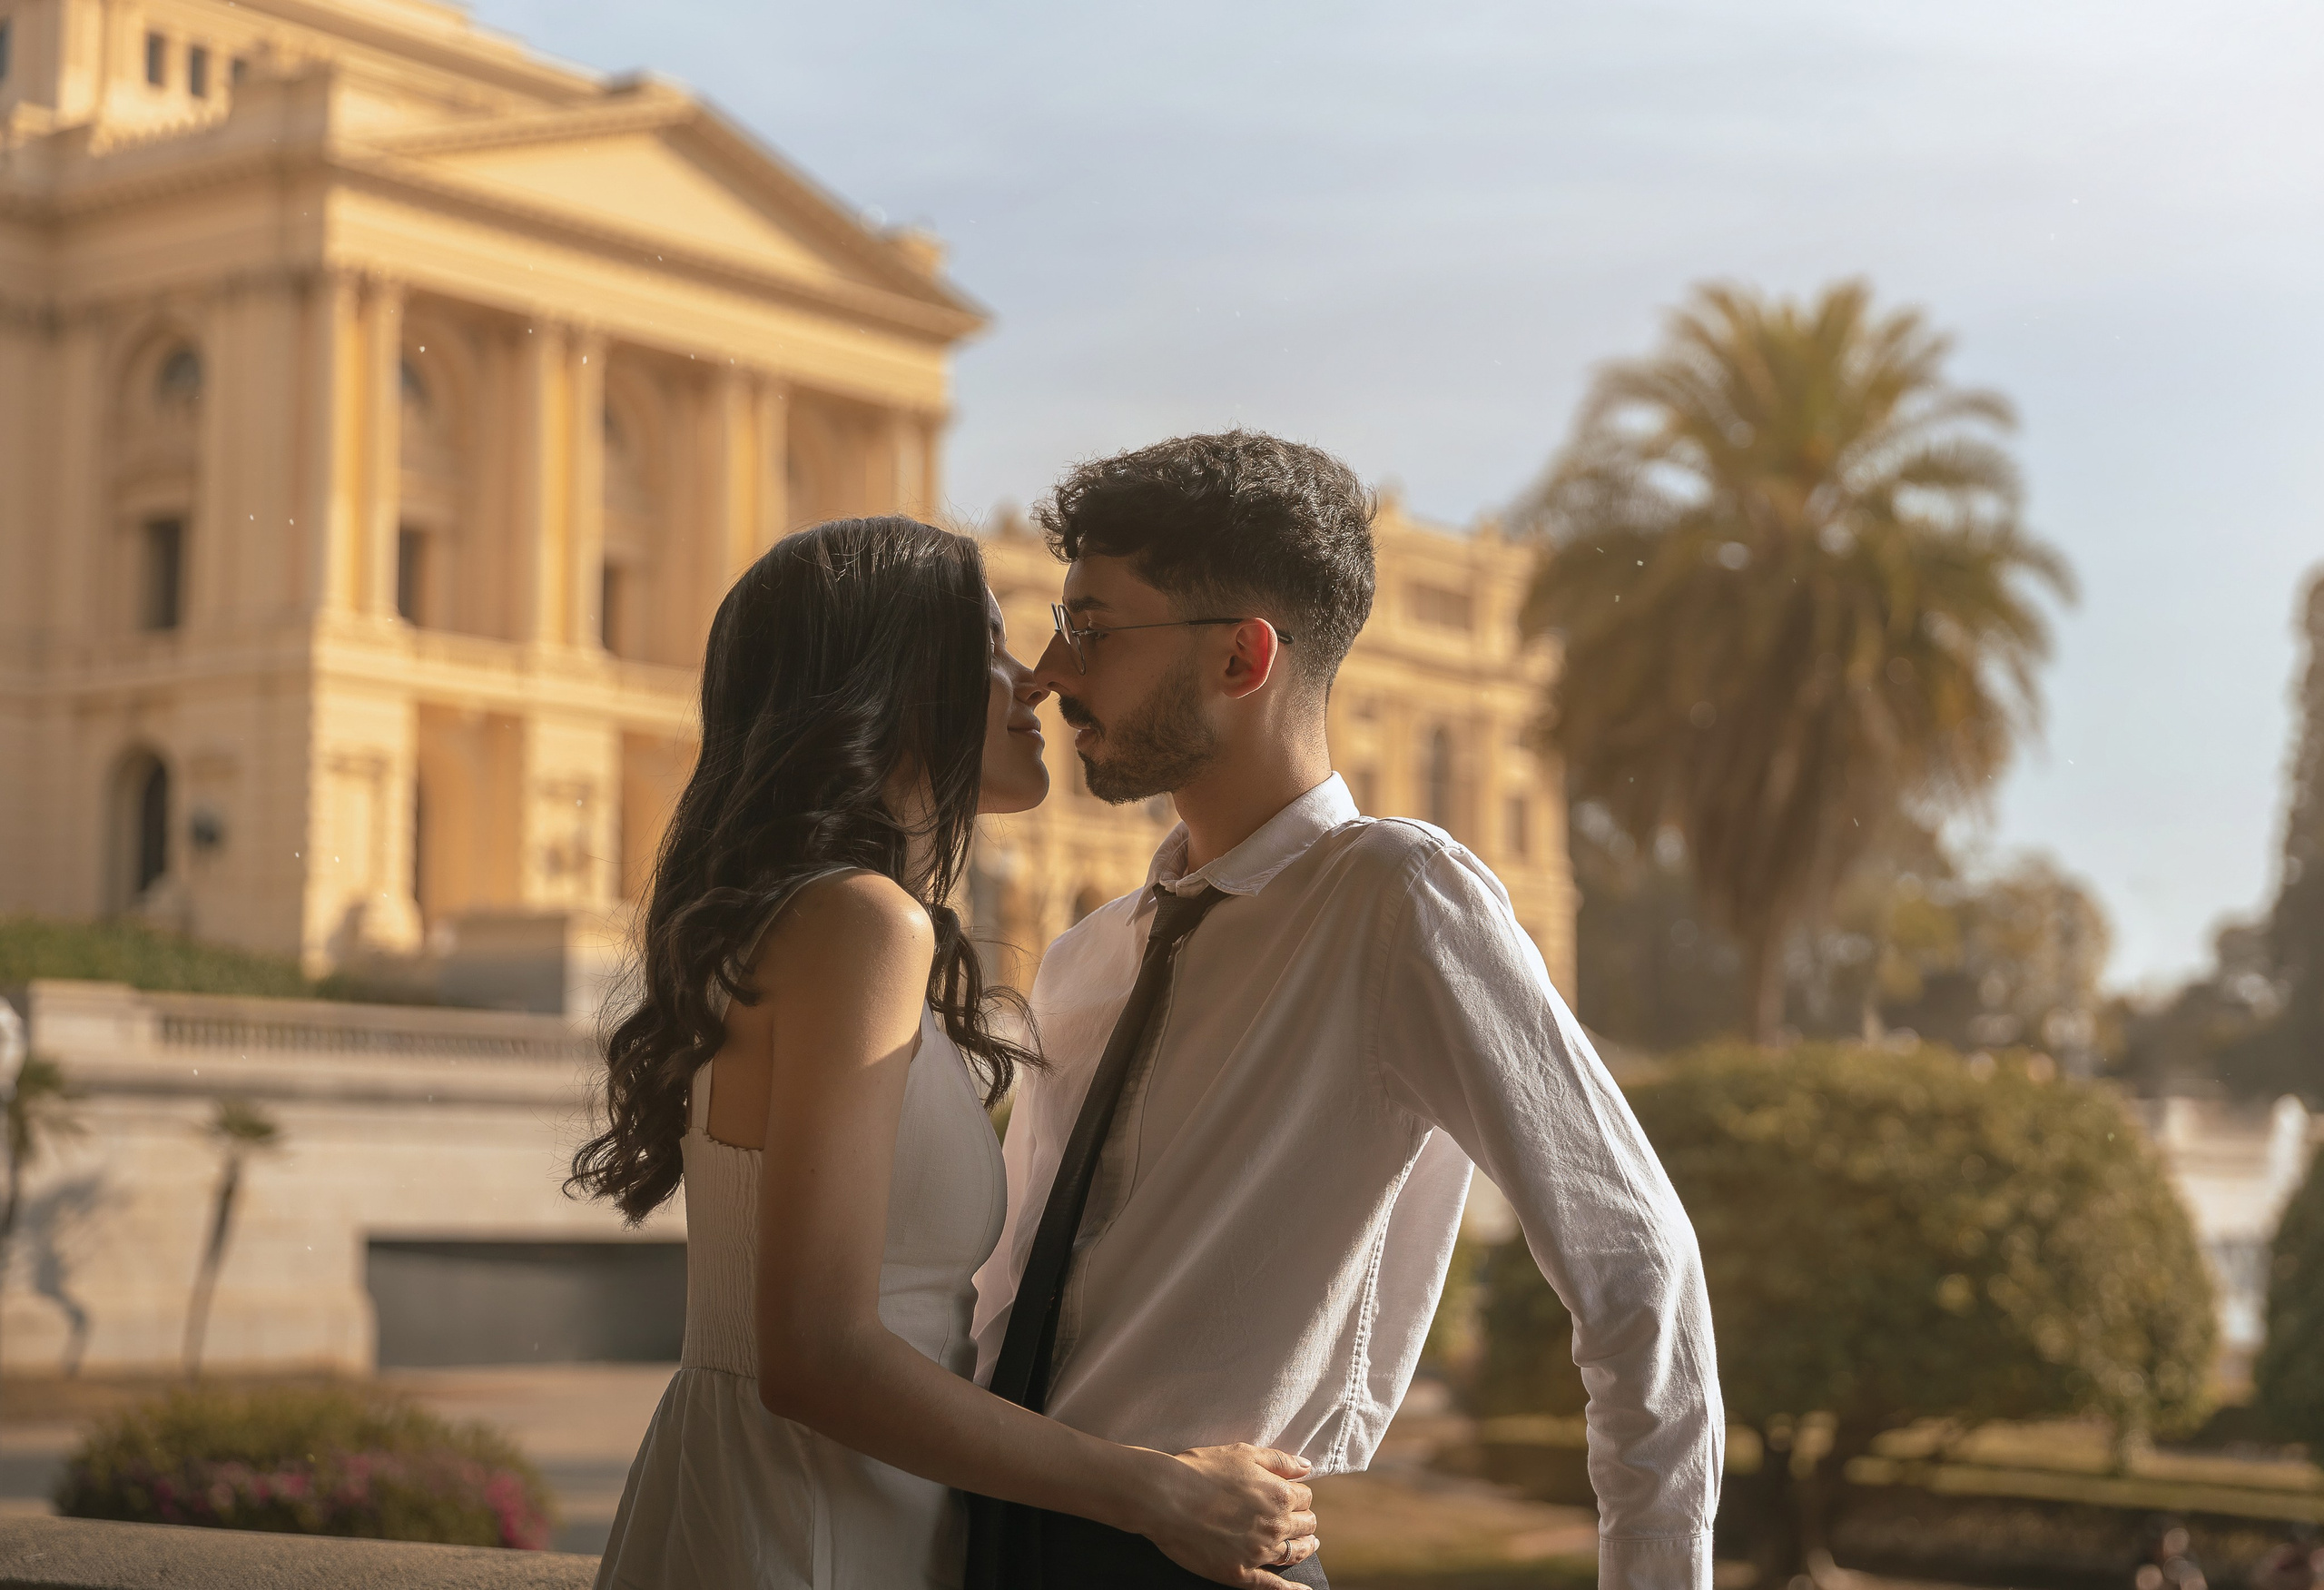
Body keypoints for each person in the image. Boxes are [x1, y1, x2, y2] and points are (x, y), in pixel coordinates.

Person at [969, 433, 1725, 1590]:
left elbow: (1634, 1257)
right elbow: (1003, 1295)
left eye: (1094, 627)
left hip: (1209, 1558)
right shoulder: (1084, 960)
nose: (1048, 670)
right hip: (995, 1536)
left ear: (1241, 655)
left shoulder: (1396, 901)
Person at [574, 518, 1322, 1590]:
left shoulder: (820, 918)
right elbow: (817, 1356)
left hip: (793, 1501)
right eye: (985, 646)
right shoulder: (859, 923)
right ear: (881, 680)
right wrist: (1158, 1491)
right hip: (812, 1526)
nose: (1034, 679)